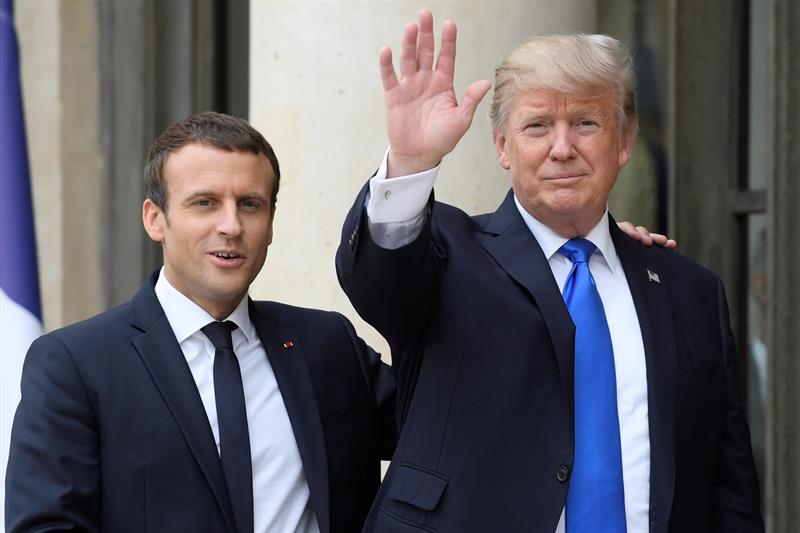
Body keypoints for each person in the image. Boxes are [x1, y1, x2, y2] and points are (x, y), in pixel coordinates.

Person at [336, 10, 763, 532]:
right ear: (502, 146)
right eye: (537, 126)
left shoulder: (690, 292)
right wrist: (409, 164)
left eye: (586, 123)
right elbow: (382, 280)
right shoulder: (448, 254)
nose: (562, 149)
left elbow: (727, 489)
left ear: (624, 141)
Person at [6, 112, 395, 533]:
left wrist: (409, 167)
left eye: (249, 204)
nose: (231, 226)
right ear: (155, 219)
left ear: (270, 223)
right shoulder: (74, 366)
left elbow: (437, 425)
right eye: (204, 202)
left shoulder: (328, 345)